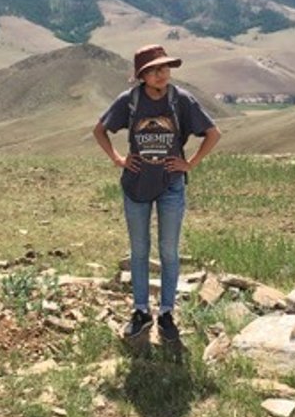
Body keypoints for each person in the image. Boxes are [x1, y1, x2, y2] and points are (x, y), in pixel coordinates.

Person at [92, 44, 222, 345]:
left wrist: (190, 163)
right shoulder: (130, 101)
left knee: (168, 251)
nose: (161, 74)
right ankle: (140, 310)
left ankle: (166, 312)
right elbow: (100, 130)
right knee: (139, 251)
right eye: (153, 70)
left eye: (165, 68)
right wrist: (117, 158)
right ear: (142, 76)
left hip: (171, 184)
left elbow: (213, 133)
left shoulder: (181, 100)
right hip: (136, 184)